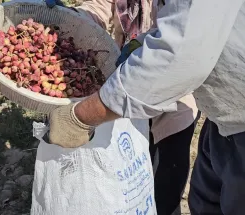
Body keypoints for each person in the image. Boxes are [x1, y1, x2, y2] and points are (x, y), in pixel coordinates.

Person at [48, 0, 245, 214]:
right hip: (227, 117)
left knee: (168, 178)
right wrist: (74, 16)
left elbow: (181, 54)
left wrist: (81, 117)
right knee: (206, 203)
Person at [45, 0, 199, 214]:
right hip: (124, 94)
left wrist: (141, 47)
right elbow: (101, 4)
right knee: (132, 175)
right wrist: (75, 16)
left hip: (173, 103)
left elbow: (180, 35)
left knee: (165, 179)